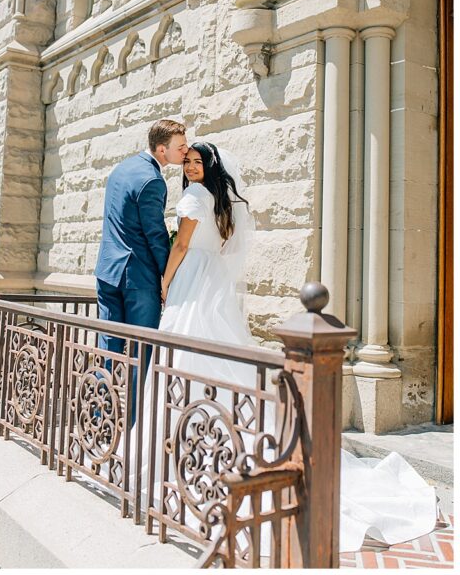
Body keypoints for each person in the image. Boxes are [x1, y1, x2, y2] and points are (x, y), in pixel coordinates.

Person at [148, 141, 438, 552]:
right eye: (189, 161)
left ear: (209, 168)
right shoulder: (217, 199)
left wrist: (164, 281)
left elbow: (180, 246)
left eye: (198, 162)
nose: (192, 167)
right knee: (213, 353)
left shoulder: (194, 197)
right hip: (211, 282)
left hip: (193, 281)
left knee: (188, 353)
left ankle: (194, 436)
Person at [94, 119, 188, 411]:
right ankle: (134, 425)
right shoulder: (153, 180)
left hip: (107, 271)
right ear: (162, 150)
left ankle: (99, 418)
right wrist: (168, 276)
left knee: (107, 347)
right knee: (140, 350)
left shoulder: (121, 168)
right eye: (180, 147)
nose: (185, 151)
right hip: (137, 279)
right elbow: (156, 234)